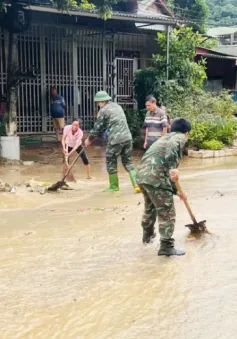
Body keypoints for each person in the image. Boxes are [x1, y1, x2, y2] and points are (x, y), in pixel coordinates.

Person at [136, 118, 192, 256]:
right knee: (167, 211)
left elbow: (164, 168)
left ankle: (147, 237)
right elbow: (170, 164)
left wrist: (176, 191)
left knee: (150, 208)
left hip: (143, 176)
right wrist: (173, 168)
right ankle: (166, 247)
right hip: (156, 178)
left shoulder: (164, 138)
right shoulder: (178, 137)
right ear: (186, 132)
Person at [84, 91, 140, 193]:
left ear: (102, 101)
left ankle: (114, 187)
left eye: (97, 102)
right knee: (128, 162)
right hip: (127, 137)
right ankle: (136, 185)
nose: (97, 104)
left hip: (115, 139)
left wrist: (89, 139)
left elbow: (97, 128)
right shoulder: (117, 106)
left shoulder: (103, 110)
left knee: (111, 161)